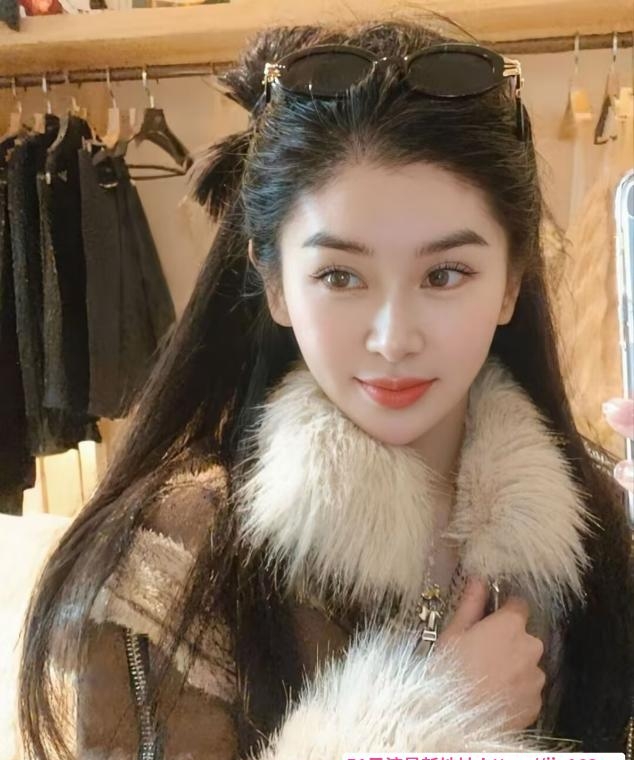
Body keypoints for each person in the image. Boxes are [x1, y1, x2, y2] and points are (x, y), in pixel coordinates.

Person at [17, 16, 633, 759]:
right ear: (276, 283)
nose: (393, 337)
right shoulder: (168, 564)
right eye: (340, 276)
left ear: (511, 283)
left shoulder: (601, 526)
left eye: (445, 274)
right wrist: (418, 720)